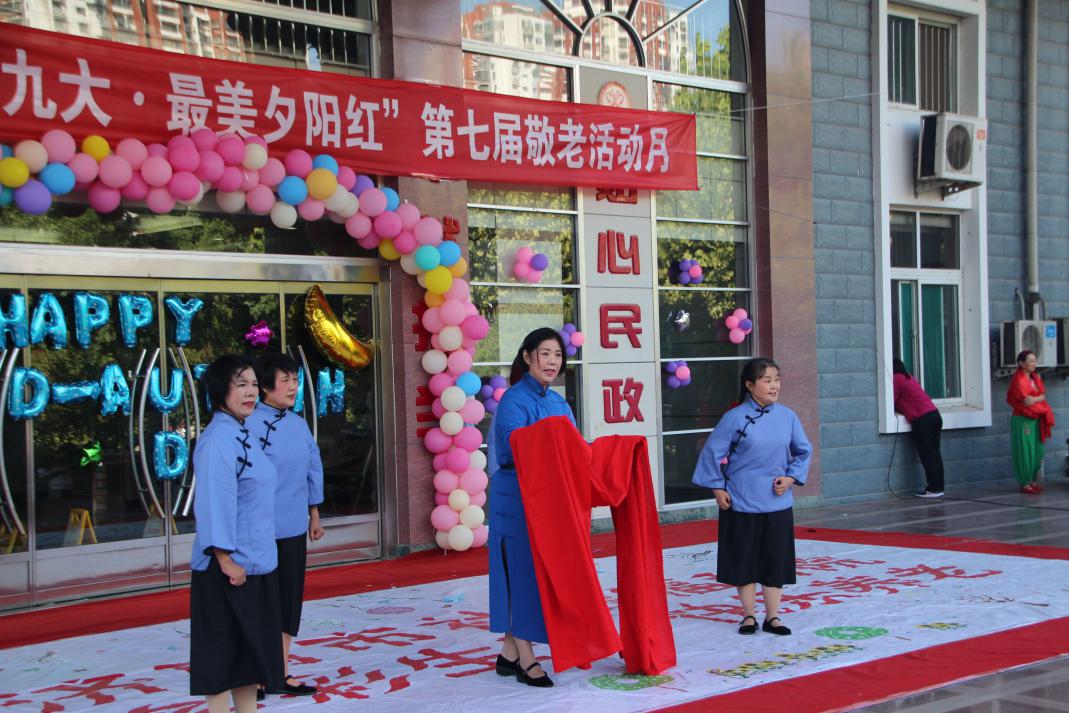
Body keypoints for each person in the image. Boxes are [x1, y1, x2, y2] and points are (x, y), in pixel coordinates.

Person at [692, 357, 812, 637]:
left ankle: (773, 617)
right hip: (740, 500)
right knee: (743, 560)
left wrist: (791, 478)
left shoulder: (788, 417)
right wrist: (717, 488)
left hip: (777, 501)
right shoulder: (733, 418)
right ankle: (748, 615)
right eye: (767, 380)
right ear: (749, 385)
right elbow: (711, 453)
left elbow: (803, 451)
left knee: (775, 559)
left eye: (777, 379)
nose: (774, 386)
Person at [189, 355, 282, 713]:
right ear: (220, 390)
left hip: (257, 561)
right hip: (227, 568)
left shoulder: (244, 432)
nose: (251, 392)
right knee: (221, 654)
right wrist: (225, 558)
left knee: (249, 654)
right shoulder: (217, 440)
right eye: (240, 384)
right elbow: (214, 500)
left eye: (254, 384)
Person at [488, 327, 575, 688]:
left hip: (548, 499)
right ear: (527, 357)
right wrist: (552, 441)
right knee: (521, 575)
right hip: (515, 499)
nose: (552, 361)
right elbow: (512, 446)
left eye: (558, 355)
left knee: (541, 574)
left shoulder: (559, 403)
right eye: (545, 353)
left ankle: (508, 653)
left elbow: (573, 447)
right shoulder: (513, 399)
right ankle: (526, 660)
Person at [250, 352, 325, 697]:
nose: (293, 387)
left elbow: (313, 466)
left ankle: (279, 672)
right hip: (257, 530)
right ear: (266, 387)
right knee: (258, 601)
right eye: (285, 381)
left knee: (288, 600)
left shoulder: (298, 424)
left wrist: (314, 513)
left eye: (295, 380)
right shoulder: (247, 423)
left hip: (293, 526)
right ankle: (254, 674)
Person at [892, 359, 945, 498]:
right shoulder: (909, 378)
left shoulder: (897, 378)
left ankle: (932, 489)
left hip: (922, 419)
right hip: (934, 415)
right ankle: (939, 487)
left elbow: (891, 400)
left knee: (927, 454)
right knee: (935, 453)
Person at [1006, 350, 1056, 494]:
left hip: (1036, 417)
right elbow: (1026, 402)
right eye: (1031, 361)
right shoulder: (1018, 380)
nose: (1034, 364)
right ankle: (1025, 483)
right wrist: (1037, 400)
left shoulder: (1035, 378)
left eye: (1035, 361)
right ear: (1021, 363)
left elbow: (1042, 396)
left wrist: (1035, 399)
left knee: (1037, 450)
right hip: (1023, 418)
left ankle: (1030, 480)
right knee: (1025, 450)